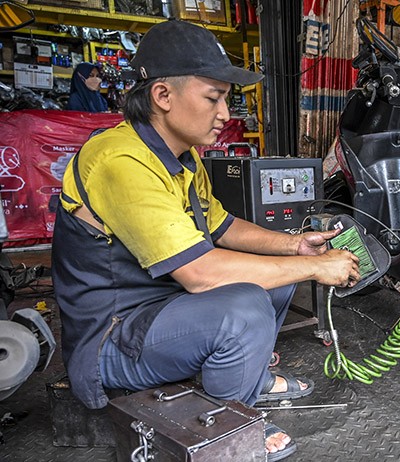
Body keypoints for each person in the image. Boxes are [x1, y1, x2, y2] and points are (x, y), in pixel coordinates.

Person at [51, 20, 361, 461]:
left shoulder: (183, 156)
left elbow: (221, 225)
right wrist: (316, 267)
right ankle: (226, 425)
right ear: (162, 96)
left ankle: (245, 381)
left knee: (277, 278)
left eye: (226, 100)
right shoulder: (120, 160)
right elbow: (199, 274)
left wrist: (296, 247)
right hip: (112, 341)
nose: (225, 114)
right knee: (244, 309)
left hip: (159, 312)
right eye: (213, 97)